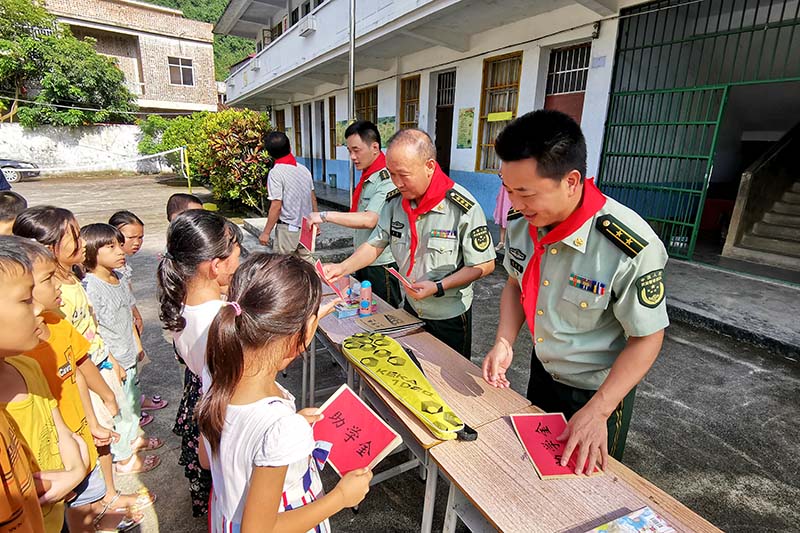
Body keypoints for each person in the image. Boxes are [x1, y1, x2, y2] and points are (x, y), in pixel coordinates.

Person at [482, 110, 669, 475]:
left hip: (599, 391)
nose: (514, 205)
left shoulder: (627, 245)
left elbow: (648, 336)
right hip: (544, 372)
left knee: (590, 490)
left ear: (571, 181)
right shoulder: (524, 225)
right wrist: (505, 341)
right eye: (508, 189)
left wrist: (599, 410)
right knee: (536, 472)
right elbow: (514, 284)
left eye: (525, 192)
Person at [197, 253, 371, 533]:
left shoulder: (216, 369)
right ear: (305, 332)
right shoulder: (281, 427)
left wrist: (289, 427)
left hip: (224, 514)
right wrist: (341, 497)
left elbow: (207, 459)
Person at [13, 206, 146, 512]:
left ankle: (105, 496)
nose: (83, 241)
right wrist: (103, 391)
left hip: (94, 379)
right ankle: (103, 498)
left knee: (99, 443)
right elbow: (74, 364)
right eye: (74, 235)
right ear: (49, 248)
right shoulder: (49, 312)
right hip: (83, 391)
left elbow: (83, 347)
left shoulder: (66, 286)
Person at [324, 129, 496, 358]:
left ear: (430, 166)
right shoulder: (395, 203)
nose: (397, 182)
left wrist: (438, 286)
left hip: (449, 315)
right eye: (392, 174)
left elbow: (485, 265)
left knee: (447, 381)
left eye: (403, 175)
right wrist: (342, 268)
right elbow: (376, 243)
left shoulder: (462, 208)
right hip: (411, 308)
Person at [0, 236, 89, 533]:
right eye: (26, 300)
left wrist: (74, 472)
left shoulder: (27, 366)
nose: (39, 309)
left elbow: (59, 428)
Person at [157, 209, 242, 517]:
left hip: (201, 404)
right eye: (235, 249)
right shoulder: (225, 319)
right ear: (215, 265)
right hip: (226, 420)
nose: (239, 257)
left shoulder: (180, 303)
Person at [79, 224, 162, 477]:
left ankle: (133, 439)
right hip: (112, 362)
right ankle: (123, 459)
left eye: (119, 244)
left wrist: (138, 346)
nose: (120, 251)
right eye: (111, 246)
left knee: (132, 402)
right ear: (92, 252)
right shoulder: (91, 287)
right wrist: (112, 361)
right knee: (119, 409)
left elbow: (127, 314)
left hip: (128, 355)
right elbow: (95, 330)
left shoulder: (119, 278)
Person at [308, 120, 402, 307]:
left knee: (384, 313)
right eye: (349, 151)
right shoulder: (368, 176)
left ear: (374, 147)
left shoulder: (386, 179)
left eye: (356, 150)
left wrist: (325, 216)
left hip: (380, 264)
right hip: (362, 257)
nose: (352, 157)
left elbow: (369, 219)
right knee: (364, 308)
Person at [109, 210, 167, 414]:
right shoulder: (108, 267)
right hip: (117, 328)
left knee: (134, 360)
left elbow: (127, 293)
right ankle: (128, 409)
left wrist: (135, 312)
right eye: (131, 237)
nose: (137, 242)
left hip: (128, 318)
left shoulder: (123, 264)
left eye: (140, 237)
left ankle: (135, 398)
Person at [257, 131, 318, 261]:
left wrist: (266, 232)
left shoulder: (276, 173)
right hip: (306, 227)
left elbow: (276, 206)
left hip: (288, 229)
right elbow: (312, 197)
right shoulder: (303, 169)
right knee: (307, 266)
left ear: (269, 154)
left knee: (282, 268)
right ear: (290, 148)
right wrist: (316, 223)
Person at [493, 184, 512, 251]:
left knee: (511, 216)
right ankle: (501, 242)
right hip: (505, 189)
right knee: (502, 213)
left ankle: (510, 242)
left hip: (514, 189)